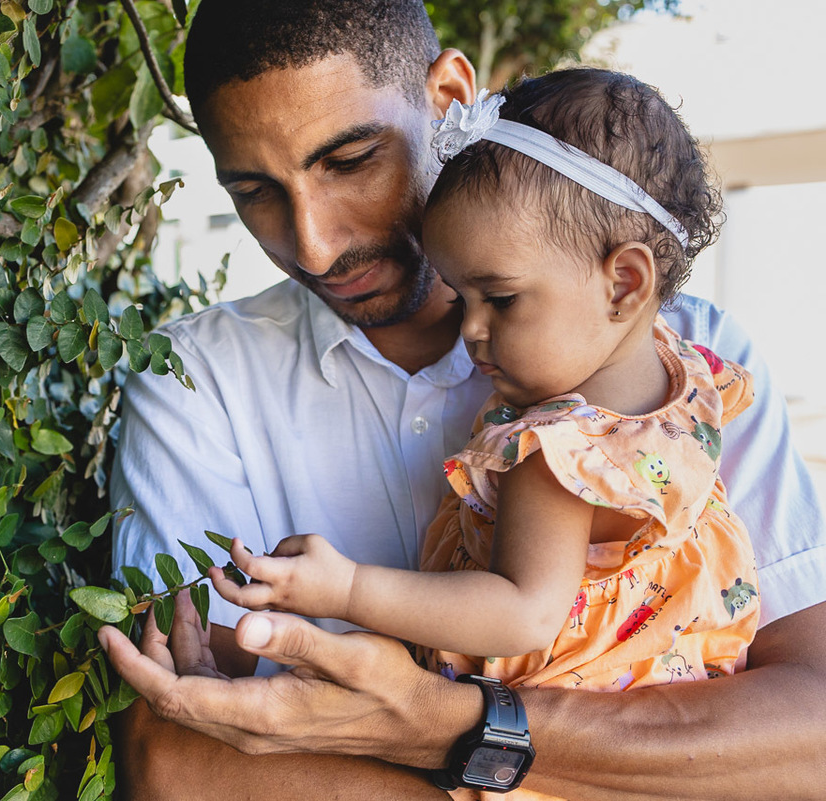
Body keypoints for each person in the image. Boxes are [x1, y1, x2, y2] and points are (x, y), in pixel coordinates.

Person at [102, 1, 826, 798]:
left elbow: (808, 737)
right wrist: (630, 760)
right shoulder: (194, 382)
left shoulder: (683, 359)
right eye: (255, 192)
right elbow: (181, 759)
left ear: (448, 97)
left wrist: (431, 720)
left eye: (350, 160)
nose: (313, 243)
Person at [208, 68, 761, 709]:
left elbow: (522, 613)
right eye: (461, 294)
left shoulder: (558, 455)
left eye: (499, 298)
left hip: (552, 716)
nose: (470, 330)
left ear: (624, 284)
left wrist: (347, 590)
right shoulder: (689, 377)